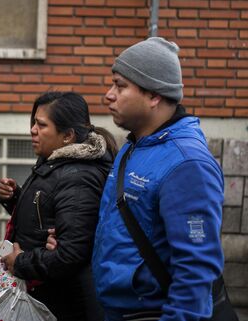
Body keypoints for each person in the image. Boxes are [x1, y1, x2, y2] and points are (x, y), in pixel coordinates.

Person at [92, 37, 226, 321]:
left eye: (120, 85)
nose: (108, 95)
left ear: (154, 96)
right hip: (117, 311)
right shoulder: (134, 145)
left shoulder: (187, 165)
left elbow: (196, 270)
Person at [0, 91, 116, 321]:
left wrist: (20, 262)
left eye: (41, 125)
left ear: (68, 136)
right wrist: (13, 198)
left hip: (59, 304)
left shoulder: (78, 176)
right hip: (40, 292)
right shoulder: (54, 160)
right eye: (33, 123)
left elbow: (70, 254)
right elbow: (46, 216)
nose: (32, 130)